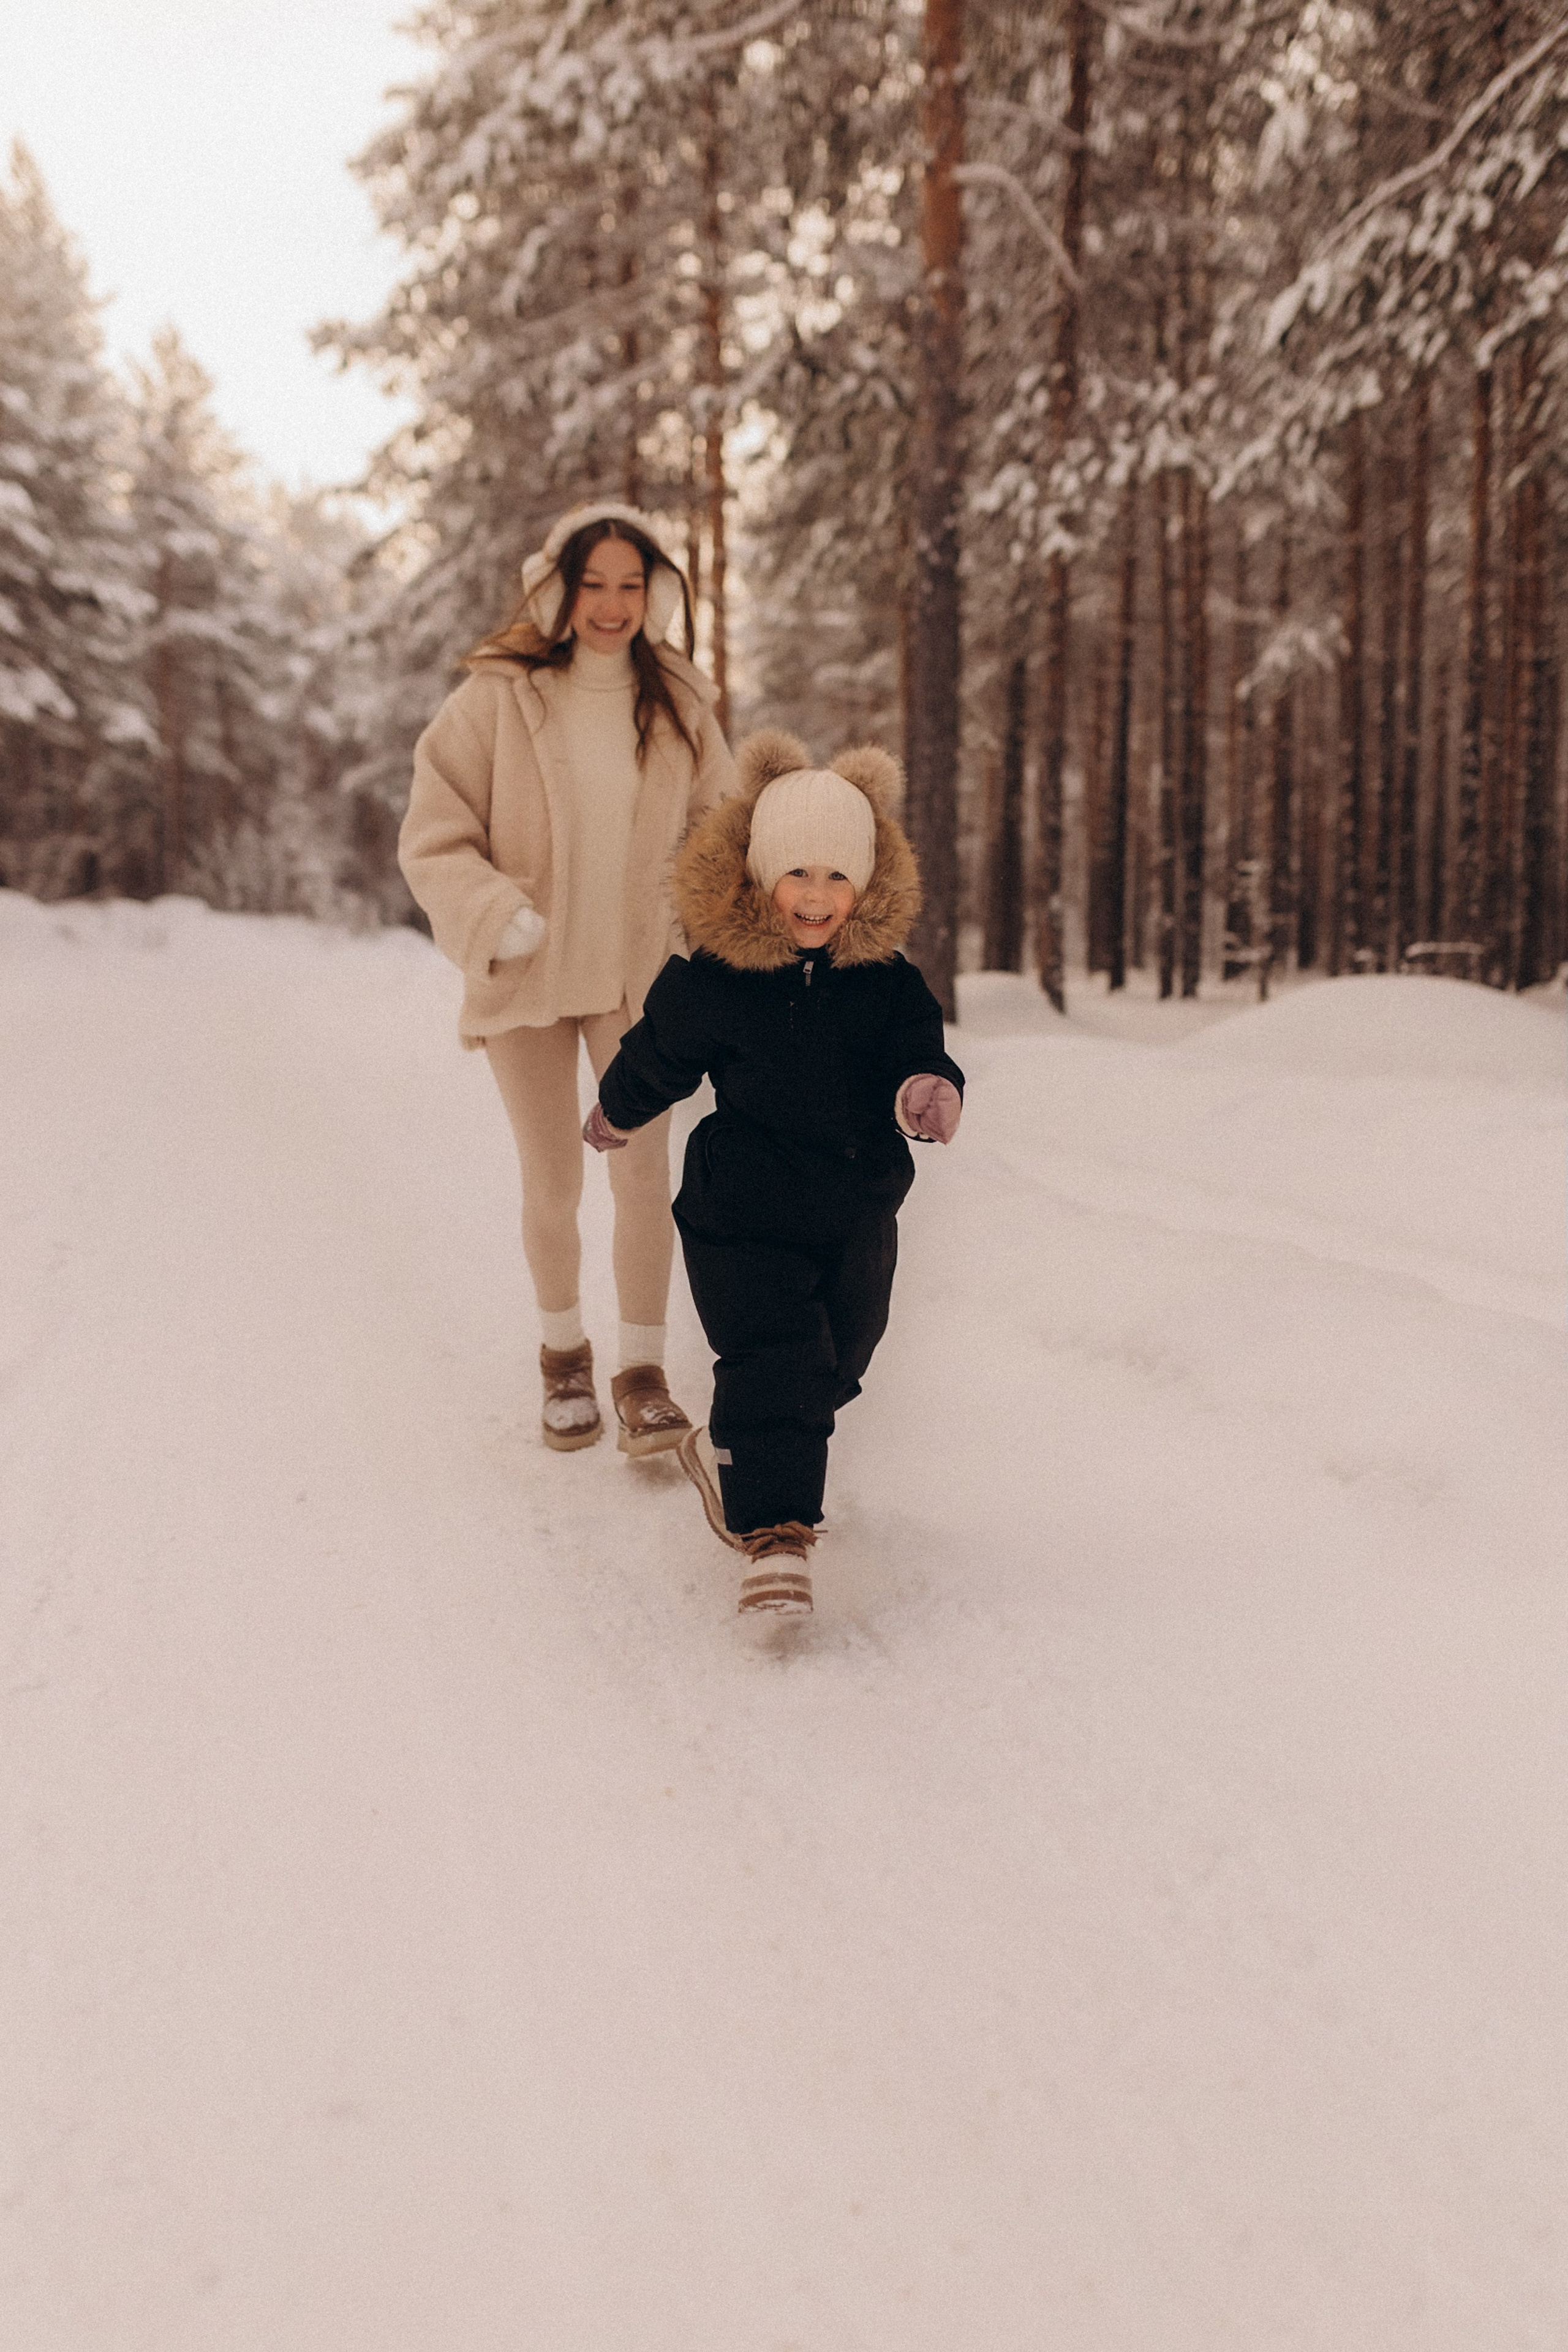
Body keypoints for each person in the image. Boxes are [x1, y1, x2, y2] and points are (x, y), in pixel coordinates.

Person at [583, 728, 965, 1619]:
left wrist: (926, 1088)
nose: (818, 896)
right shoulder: (717, 977)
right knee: (779, 1360)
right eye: (798, 873)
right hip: (741, 1206)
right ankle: (776, 1535)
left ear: (867, 882)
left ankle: (748, 1442)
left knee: (843, 1352)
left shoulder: (886, 982)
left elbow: (919, 1050)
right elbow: (659, 1055)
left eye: (839, 875)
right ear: (760, 873)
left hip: (855, 1206)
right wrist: (619, 1108)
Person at [398, 502, 736, 1455]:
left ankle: (643, 1374)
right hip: (526, 979)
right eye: (595, 584)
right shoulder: (498, 699)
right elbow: (433, 833)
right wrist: (490, 914)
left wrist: (699, 942)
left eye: (632, 585)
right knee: (552, 1185)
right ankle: (561, 1358)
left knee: (641, 1183)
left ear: (656, 594)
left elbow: (719, 837)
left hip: (639, 990)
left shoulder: (679, 704)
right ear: (558, 590)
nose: (612, 605)